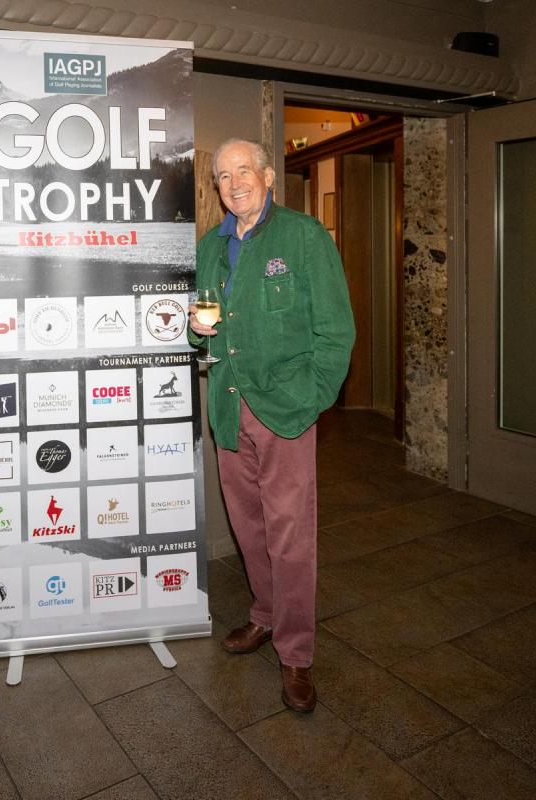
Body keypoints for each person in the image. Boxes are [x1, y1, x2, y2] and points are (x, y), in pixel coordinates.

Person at [188, 138, 354, 712]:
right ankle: (265, 614)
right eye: (223, 175)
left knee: (290, 536)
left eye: (244, 171)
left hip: (285, 412)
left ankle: (296, 653)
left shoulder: (304, 237)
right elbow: (201, 327)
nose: (234, 183)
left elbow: (336, 332)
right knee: (249, 526)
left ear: (268, 177)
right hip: (228, 407)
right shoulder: (211, 245)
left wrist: (309, 399)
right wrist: (195, 329)